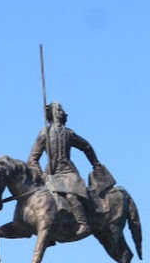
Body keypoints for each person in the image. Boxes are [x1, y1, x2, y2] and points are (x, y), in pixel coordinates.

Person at [28, 102, 103, 239]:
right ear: (52, 114)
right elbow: (32, 160)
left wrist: (95, 164)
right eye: (59, 110)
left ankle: (83, 223)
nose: (63, 112)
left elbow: (86, 146)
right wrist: (43, 176)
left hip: (68, 173)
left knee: (71, 196)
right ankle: (49, 232)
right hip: (51, 175)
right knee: (44, 201)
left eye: (62, 110)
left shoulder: (69, 133)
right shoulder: (44, 132)